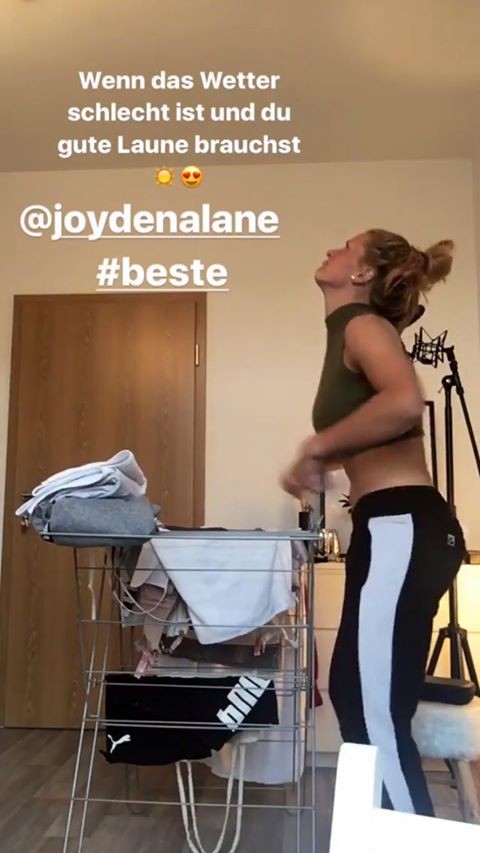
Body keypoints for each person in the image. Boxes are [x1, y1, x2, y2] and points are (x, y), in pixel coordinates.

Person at [281, 228, 466, 816]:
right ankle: (387, 831)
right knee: (356, 697)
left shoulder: (364, 325)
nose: (330, 251)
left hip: (402, 525)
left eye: (344, 247)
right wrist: (325, 460)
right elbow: (380, 427)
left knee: (373, 708)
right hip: (387, 528)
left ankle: (409, 840)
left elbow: (405, 403)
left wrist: (316, 447)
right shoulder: (348, 331)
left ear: (361, 274)